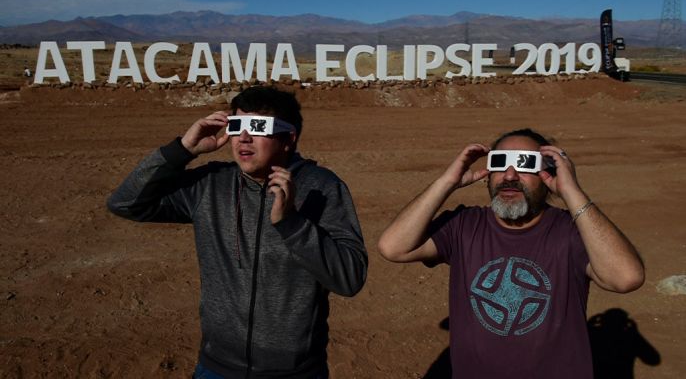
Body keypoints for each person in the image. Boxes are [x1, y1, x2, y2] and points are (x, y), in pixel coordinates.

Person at [107, 86, 368, 378]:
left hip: (293, 372)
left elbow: (350, 278)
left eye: (257, 127)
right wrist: (181, 150)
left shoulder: (321, 188)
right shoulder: (210, 185)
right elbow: (125, 203)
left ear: (287, 138)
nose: (243, 138)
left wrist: (292, 224)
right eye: (236, 126)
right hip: (216, 366)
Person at [377, 128, 644, 379]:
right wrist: (447, 182)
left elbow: (626, 278)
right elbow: (394, 247)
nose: (510, 175)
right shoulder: (464, 225)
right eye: (500, 162)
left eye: (526, 164)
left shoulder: (571, 231)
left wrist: (572, 192)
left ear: (548, 174)